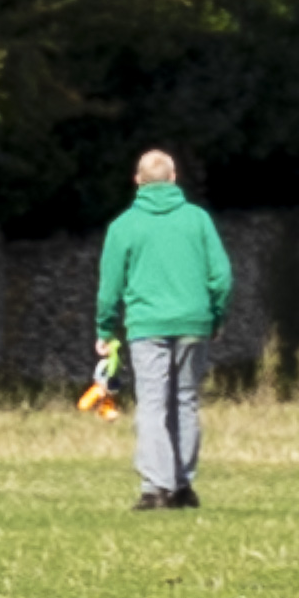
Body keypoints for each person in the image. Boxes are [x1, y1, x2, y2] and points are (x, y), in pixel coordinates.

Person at [93, 149, 233, 510]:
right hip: (193, 322)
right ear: (173, 178)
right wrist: (214, 317)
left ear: (137, 181)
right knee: (185, 399)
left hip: (147, 325)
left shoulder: (124, 226)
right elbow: (222, 277)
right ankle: (183, 484)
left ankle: (157, 486)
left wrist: (105, 330)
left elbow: (109, 287)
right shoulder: (198, 220)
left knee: (153, 403)